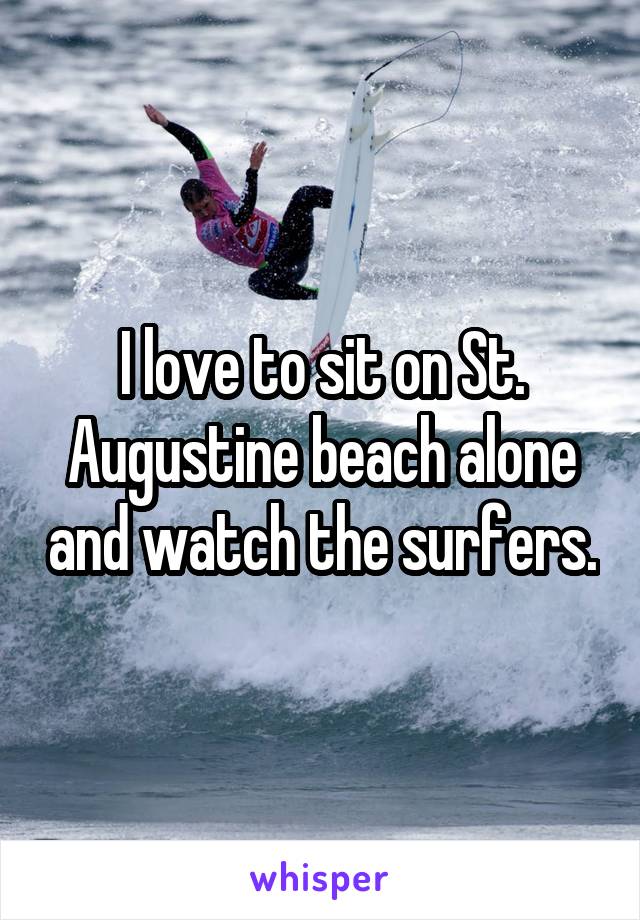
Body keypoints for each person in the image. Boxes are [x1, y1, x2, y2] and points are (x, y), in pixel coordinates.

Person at [143, 104, 333, 300]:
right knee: (257, 283)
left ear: (210, 193)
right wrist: (252, 172)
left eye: (206, 206)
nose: (204, 213)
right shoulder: (207, 231)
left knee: (305, 194)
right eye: (197, 211)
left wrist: (166, 124)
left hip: (292, 237)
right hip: (282, 265)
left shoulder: (213, 182)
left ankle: (346, 205)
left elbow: (196, 147)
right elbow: (243, 213)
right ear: (187, 209)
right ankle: (320, 296)